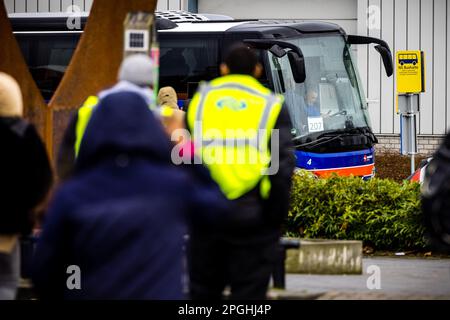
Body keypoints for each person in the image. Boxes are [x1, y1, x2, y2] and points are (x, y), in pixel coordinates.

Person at [32, 91, 228, 299]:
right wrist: (183, 147)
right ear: (150, 130)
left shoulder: (72, 195)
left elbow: (45, 271)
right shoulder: (173, 187)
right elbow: (218, 209)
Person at [186, 44, 295, 299]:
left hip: (206, 217)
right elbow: (281, 167)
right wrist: (274, 219)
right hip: (252, 217)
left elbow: (185, 159)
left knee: (201, 295)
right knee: (248, 296)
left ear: (224, 69)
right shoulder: (272, 105)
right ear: (258, 70)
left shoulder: (199, 101)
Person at [57, 54, 158, 181]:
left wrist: (71, 185)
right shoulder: (159, 113)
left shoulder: (90, 107)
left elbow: (66, 151)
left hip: (88, 180)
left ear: (120, 79)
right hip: (142, 185)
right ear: (152, 85)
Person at [0, 73, 52, 300]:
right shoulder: (24, 134)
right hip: (9, 226)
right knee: (7, 280)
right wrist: (26, 209)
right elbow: (42, 179)